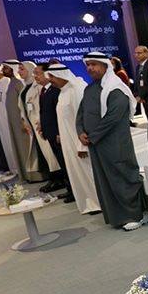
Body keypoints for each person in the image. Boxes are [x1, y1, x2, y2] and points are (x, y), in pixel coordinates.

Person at [77, 52, 148, 231]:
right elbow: (81, 113)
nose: (90, 68)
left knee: (123, 176)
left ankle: (137, 215)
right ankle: (117, 216)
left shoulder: (116, 88)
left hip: (115, 142)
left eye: (94, 64)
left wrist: (92, 136)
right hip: (97, 144)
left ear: (105, 66)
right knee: (105, 180)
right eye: (88, 65)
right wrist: (81, 132)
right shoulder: (90, 89)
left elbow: (114, 117)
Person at [45, 64, 101, 214]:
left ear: (62, 75)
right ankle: (89, 202)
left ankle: (98, 202)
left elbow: (83, 119)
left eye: (52, 76)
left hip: (79, 142)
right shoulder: (63, 92)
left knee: (88, 172)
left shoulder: (77, 90)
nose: (50, 80)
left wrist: (81, 145)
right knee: (78, 173)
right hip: (68, 141)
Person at [32, 64, 66, 194]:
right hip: (50, 133)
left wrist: (59, 132)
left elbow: (59, 114)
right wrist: (43, 128)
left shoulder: (55, 90)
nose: (35, 76)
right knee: (61, 162)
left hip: (57, 134)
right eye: (34, 73)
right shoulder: (45, 91)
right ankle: (69, 188)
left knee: (64, 162)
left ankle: (72, 189)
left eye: (38, 73)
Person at [15, 61, 48, 183]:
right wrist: (24, 121)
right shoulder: (25, 87)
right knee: (40, 151)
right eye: (19, 69)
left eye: (22, 69)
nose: (19, 72)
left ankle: (57, 178)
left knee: (48, 151)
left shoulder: (37, 86)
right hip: (32, 124)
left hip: (39, 123)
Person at [133, 45, 148, 115]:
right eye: (135, 53)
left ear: (147, 53)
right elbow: (137, 83)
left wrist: (141, 96)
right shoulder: (138, 67)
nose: (136, 55)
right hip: (143, 99)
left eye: (139, 53)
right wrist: (137, 95)